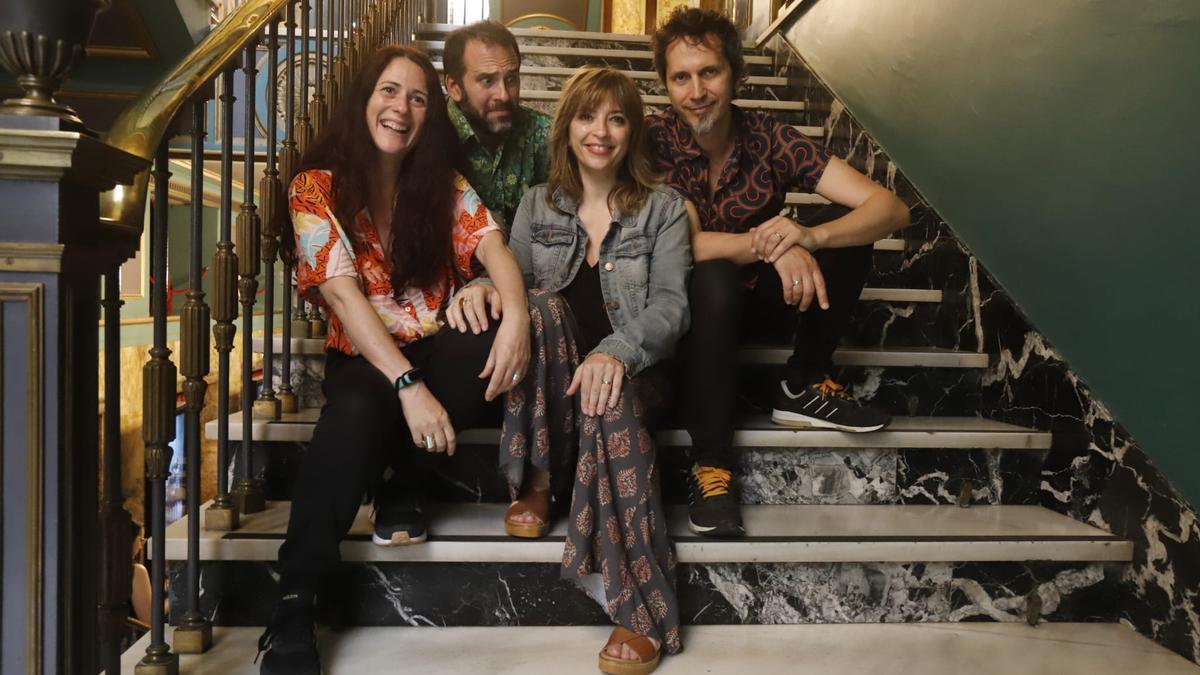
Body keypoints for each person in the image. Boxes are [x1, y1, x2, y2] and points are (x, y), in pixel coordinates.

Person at [256, 45, 530, 675]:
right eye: (388, 90)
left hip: (433, 348)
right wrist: (406, 382)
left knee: (493, 337)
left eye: (417, 97)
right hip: (366, 358)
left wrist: (515, 315)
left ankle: (405, 477)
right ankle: (296, 603)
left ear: (430, 114)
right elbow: (341, 296)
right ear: (363, 100)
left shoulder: (441, 183)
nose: (400, 107)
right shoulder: (315, 185)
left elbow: (494, 247)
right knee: (354, 409)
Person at [449, 67, 691, 675]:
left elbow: (670, 307)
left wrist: (616, 351)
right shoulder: (539, 203)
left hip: (635, 373)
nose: (600, 132)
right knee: (539, 304)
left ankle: (640, 611)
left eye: (616, 118)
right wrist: (480, 287)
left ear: (632, 131)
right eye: (588, 117)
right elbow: (518, 282)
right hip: (554, 379)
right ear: (568, 127)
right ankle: (538, 476)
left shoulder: (663, 208)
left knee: (611, 399)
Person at [647, 8, 911, 538]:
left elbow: (890, 208)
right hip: (686, 317)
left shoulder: (768, 135)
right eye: (681, 77)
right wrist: (769, 244)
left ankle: (803, 379)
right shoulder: (649, 143)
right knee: (714, 274)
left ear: (736, 75)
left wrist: (809, 237)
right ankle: (711, 465)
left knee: (845, 228)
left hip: (765, 305)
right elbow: (673, 246)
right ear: (666, 86)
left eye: (710, 73)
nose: (697, 90)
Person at [443, 20, 551, 229]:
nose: (503, 94)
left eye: (511, 79)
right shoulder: (429, 133)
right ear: (454, 87)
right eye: (487, 81)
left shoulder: (544, 133)